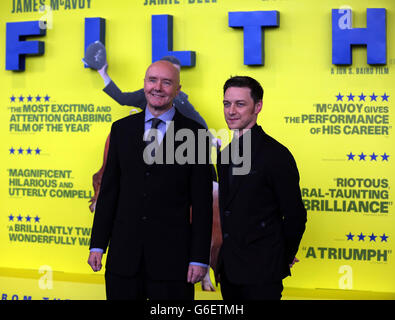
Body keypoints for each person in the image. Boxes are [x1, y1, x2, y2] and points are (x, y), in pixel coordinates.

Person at [87, 60, 213, 300]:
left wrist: (199, 258)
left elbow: (202, 203)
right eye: (152, 80)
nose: (158, 87)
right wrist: (98, 244)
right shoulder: (121, 130)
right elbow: (110, 192)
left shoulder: (196, 134)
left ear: (178, 89)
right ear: (144, 84)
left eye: (167, 82)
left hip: (173, 263)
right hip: (123, 259)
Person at [215, 76, 307, 300]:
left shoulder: (276, 155)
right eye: (227, 104)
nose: (231, 111)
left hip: (264, 273)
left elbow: (296, 215)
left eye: (240, 104)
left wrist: (281, 256)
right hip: (230, 272)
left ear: (258, 107)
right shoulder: (225, 154)